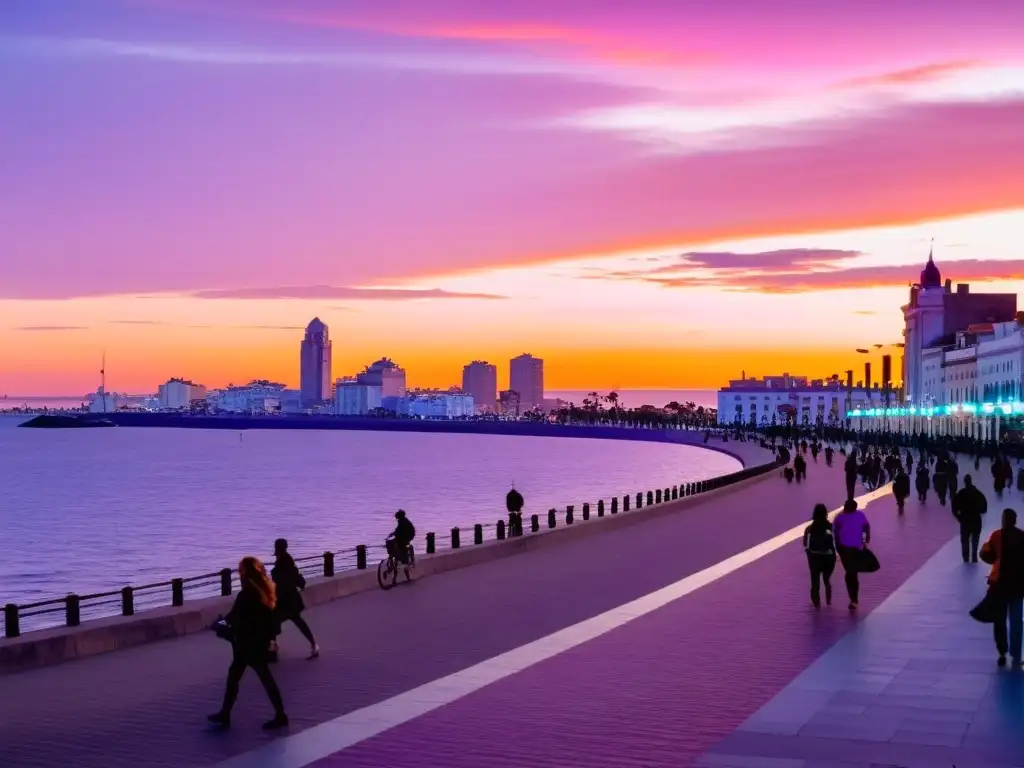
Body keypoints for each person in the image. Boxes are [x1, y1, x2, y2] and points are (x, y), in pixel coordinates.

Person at [208, 556, 288, 730]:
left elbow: (235, 617)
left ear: (246, 572)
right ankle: (226, 713)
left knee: (242, 678)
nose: (239, 572)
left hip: (246, 644)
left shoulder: (246, 594)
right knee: (250, 677)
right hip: (258, 642)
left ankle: (226, 714)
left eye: (241, 569)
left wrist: (219, 625)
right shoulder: (267, 590)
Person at [980, 509, 1024, 667]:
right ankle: (1016, 655)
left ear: (1004, 520)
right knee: (1017, 621)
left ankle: (1002, 651)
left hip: (999, 584)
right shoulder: (1022, 536)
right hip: (1018, 586)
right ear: (1015, 520)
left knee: (1000, 620)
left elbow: (986, 553)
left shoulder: (997, 535)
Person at [270, 538, 319, 660]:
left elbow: (280, 579)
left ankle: (273, 649)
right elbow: (295, 578)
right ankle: (314, 645)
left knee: (272, 621)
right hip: (290, 598)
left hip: (285, 599)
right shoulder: (286, 560)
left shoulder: (283, 561)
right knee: (294, 621)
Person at [833, 499, 871, 611]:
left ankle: (853, 598)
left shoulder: (840, 518)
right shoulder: (860, 515)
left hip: (845, 549)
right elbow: (866, 528)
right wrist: (865, 541)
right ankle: (854, 599)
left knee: (851, 573)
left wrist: (838, 548)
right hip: (856, 548)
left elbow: (835, 534)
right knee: (852, 573)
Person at [803, 503, 836, 608]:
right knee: (826, 578)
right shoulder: (830, 527)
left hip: (814, 558)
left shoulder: (809, 529)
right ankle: (828, 594)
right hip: (829, 557)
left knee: (815, 580)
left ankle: (816, 601)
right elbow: (835, 542)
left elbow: (805, 543)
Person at [953, 475, 988, 564]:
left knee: (965, 540)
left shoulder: (961, 494)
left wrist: (959, 518)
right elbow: (984, 508)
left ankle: (966, 558)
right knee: (975, 539)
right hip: (976, 520)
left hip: (965, 521)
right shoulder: (978, 494)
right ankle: (974, 556)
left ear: (965, 482)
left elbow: (954, 509)